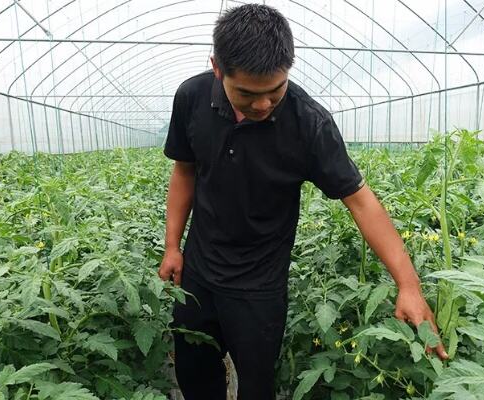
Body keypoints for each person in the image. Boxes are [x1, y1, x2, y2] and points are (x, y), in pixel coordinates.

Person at [158, 4, 447, 399]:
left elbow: (360, 200)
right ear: (217, 68)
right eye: (247, 94)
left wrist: (408, 284)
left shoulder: (309, 123)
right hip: (198, 273)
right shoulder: (191, 98)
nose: (262, 105)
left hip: (259, 285)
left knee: (256, 387)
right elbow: (185, 171)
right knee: (195, 377)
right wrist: (172, 246)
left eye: (274, 92)